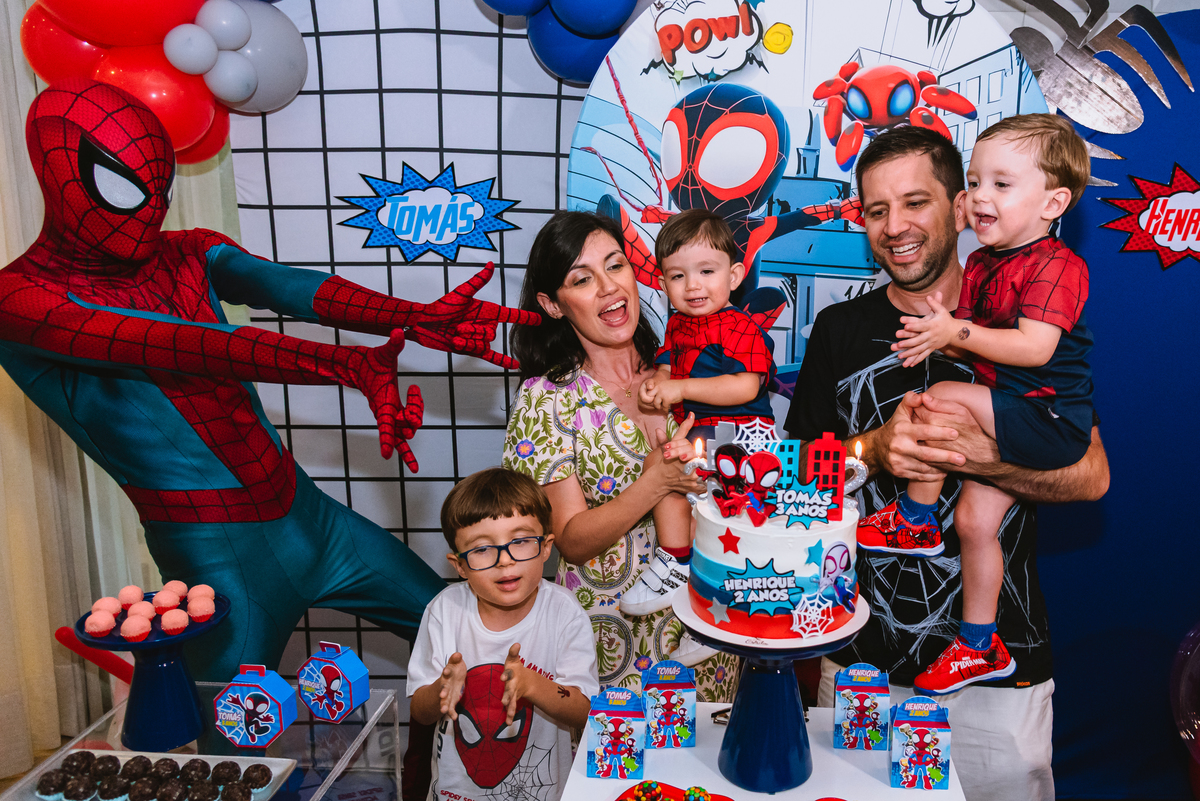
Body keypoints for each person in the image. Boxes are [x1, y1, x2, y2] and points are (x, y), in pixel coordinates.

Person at [784, 125, 1109, 801]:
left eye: (915, 202)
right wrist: (874, 450)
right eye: (877, 210)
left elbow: (1090, 474)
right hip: (861, 660)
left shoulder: (1020, 315)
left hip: (1000, 676)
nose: (895, 227)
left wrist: (981, 458)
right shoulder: (840, 331)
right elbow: (796, 477)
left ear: (961, 206)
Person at [859, 115, 1095, 695]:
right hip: (869, 660)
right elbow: (968, 334)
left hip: (1050, 418)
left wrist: (953, 334)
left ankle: (915, 522)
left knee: (940, 399)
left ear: (1053, 202)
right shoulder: (988, 263)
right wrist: (938, 336)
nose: (981, 196)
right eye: (976, 181)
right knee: (971, 522)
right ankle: (979, 643)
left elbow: (1035, 350)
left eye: (1002, 184)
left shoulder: (1058, 265)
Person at [503, 211, 740, 694]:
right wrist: (654, 484)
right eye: (582, 279)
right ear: (553, 305)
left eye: (616, 265)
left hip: (712, 633)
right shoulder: (547, 399)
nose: (609, 287)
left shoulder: (690, 374)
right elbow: (570, 540)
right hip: (615, 644)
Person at [408, 468, 599, 801]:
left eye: (521, 541)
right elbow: (420, 712)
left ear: (546, 547)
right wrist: (441, 689)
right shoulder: (444, 611)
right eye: (482, 549)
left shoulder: (564, 612)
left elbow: (584, 710)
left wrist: (533, 685)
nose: (505, 560)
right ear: (459, 565)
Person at [623, 209, 777, 616]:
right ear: (662, 284)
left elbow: (746, 386)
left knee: (716, 516)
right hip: (701, 435)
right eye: (678, 275)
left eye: (707, 271)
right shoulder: (677, 326)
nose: (693, 285)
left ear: (735, 276)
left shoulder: (741, 327)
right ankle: (683, 567)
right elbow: (667, 364)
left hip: (742, 436)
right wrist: (658, 382)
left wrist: (681, 388)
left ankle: (695, 573)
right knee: (664, 472)